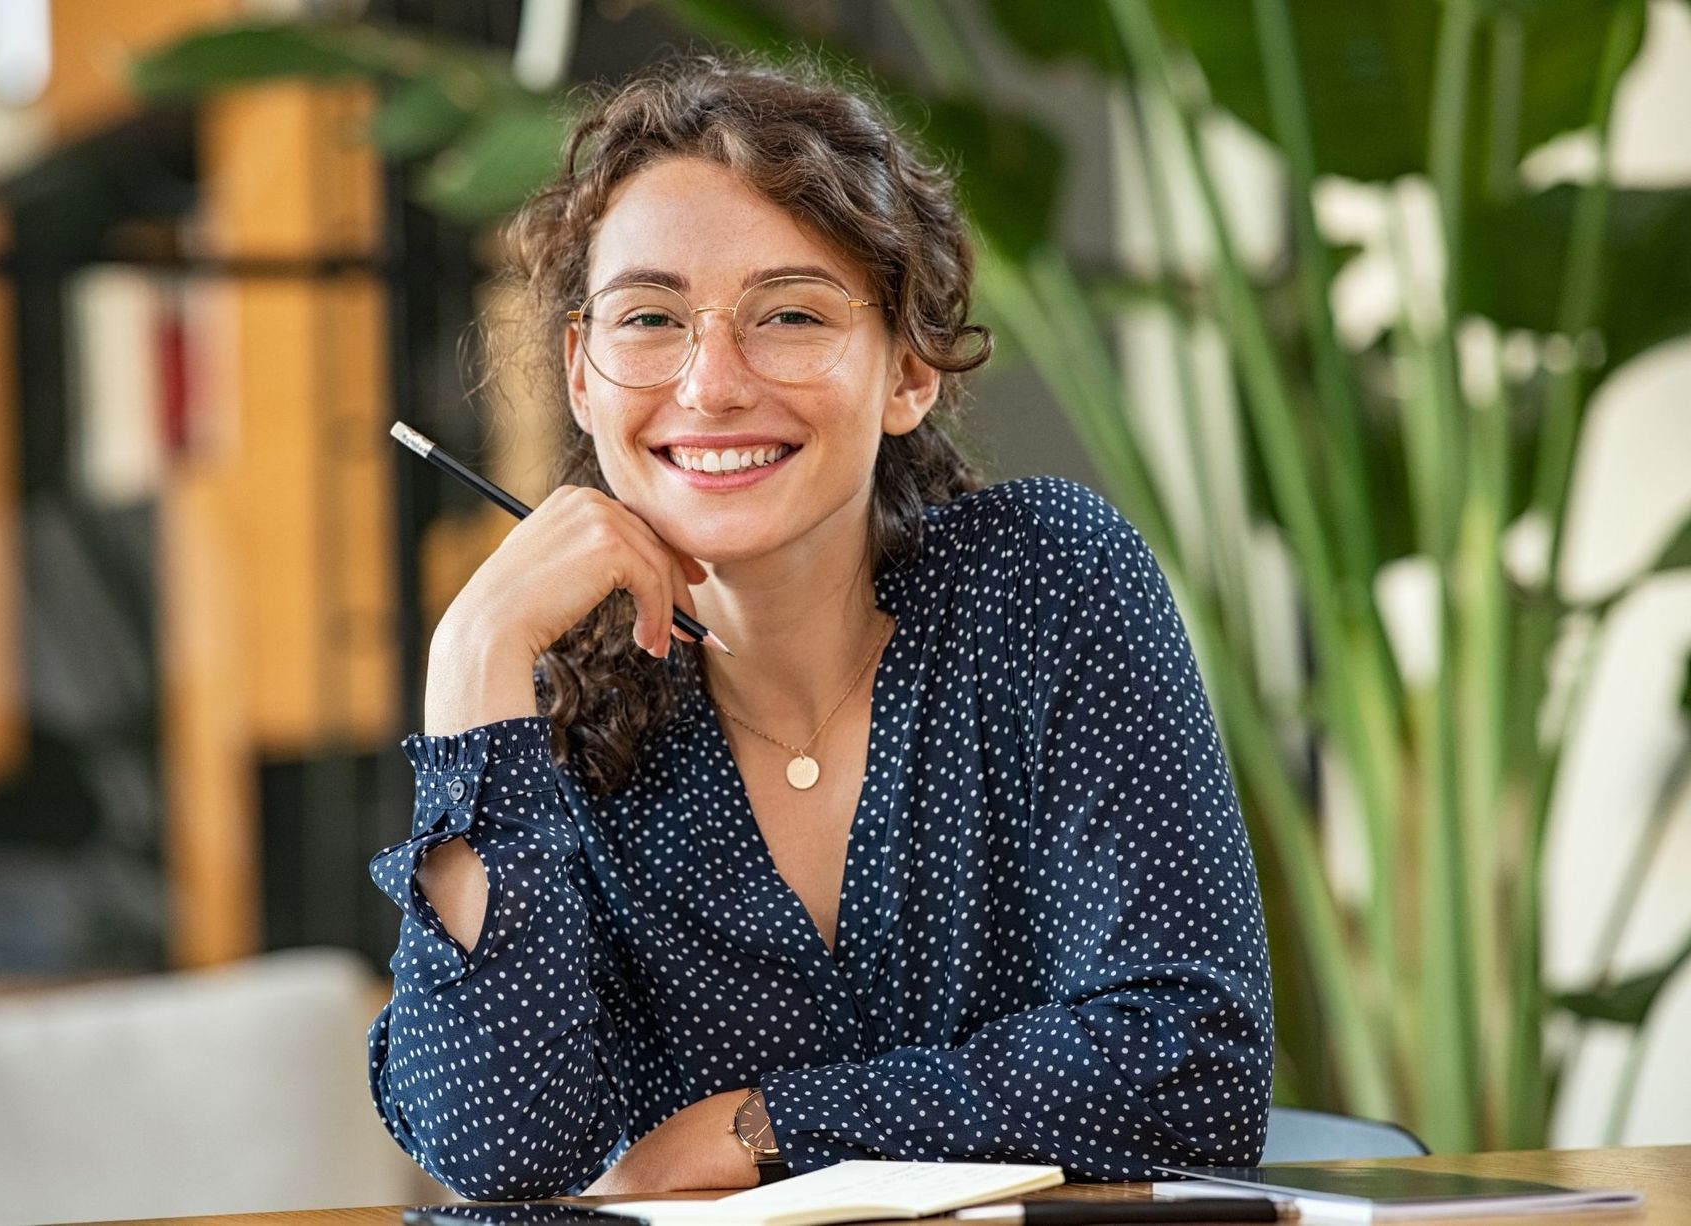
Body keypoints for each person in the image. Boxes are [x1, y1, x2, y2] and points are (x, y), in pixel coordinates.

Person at [366, 57, 1272, 1201]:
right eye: (650, 318)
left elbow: (1194, 1064)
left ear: (907, 369)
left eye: (790, 313)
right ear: (582, 376)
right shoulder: (530, 716)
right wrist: (472, 657)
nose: (711, 383)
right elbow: (498, 1152)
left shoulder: (1043, 581)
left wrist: (757, 1125)